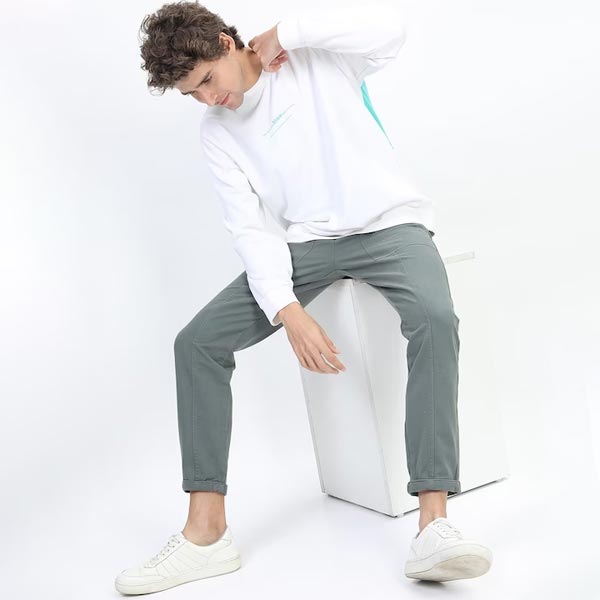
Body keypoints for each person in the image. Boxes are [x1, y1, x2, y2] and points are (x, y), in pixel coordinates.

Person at [115, 1, 493, 594]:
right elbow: (250, 229)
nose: (209, 99)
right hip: (306, 247)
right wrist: (287, 311)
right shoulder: (217, 132)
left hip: (389, 227)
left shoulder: (313, 60)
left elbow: (391, 30)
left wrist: (284, 33)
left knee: (435, 317)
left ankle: (433, 524)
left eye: (208, 79)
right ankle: (206, 533)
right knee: (197, 344)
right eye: (192, 94)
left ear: (226, 43)